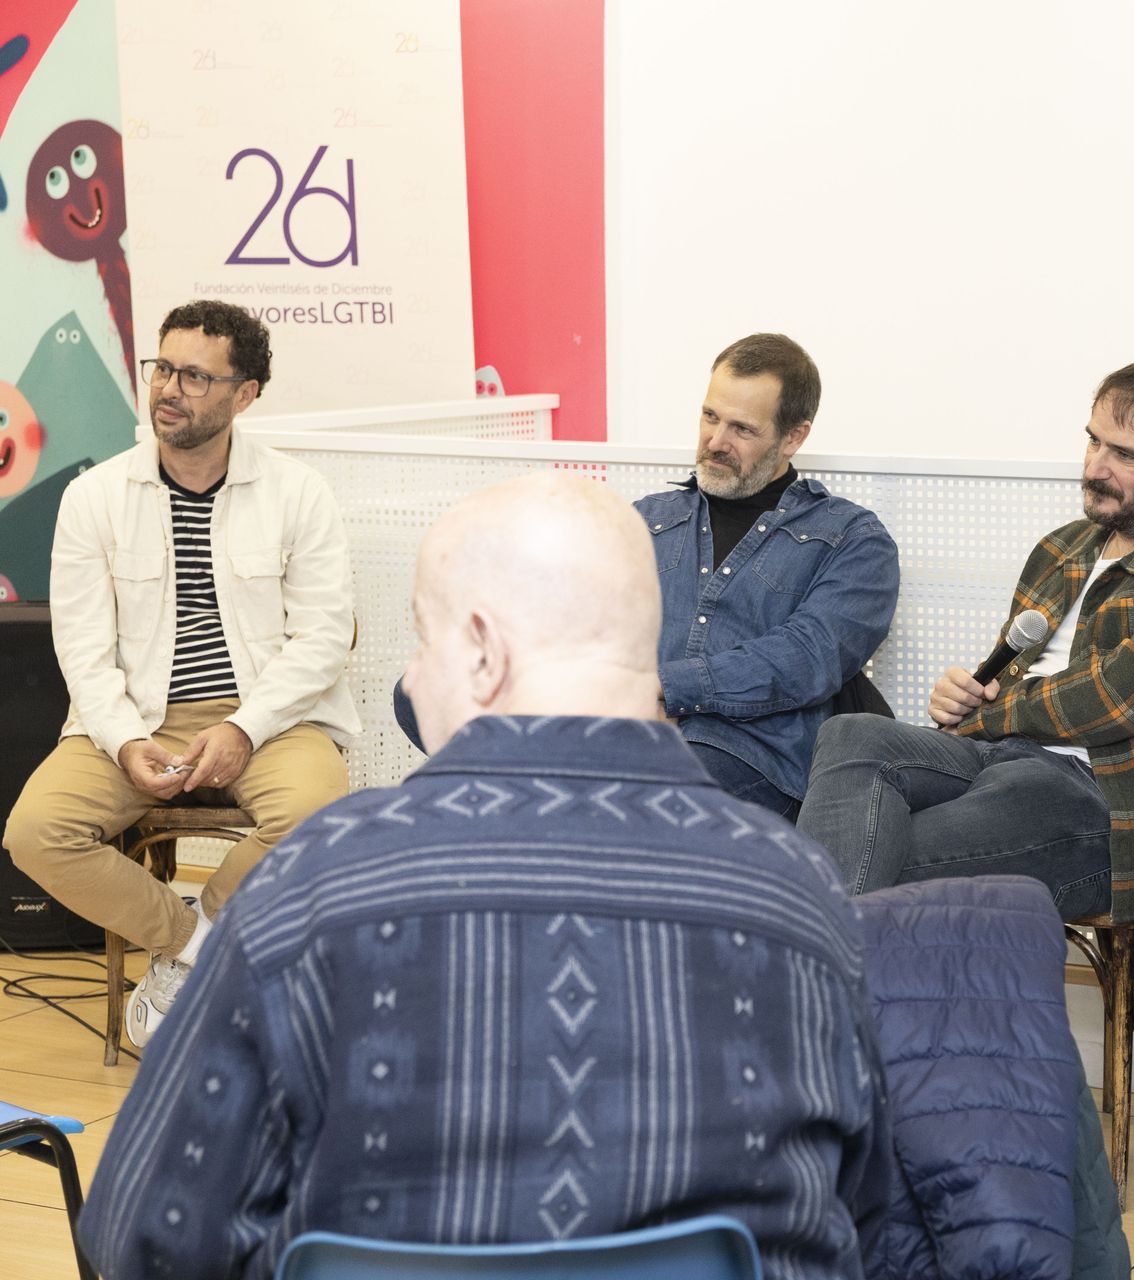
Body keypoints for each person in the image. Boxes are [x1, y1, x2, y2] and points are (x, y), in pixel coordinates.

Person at [78, 474, 891, 1280]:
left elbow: (143, 1233)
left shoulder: (314, 887)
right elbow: (864, 1212)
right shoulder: (799, 893)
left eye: (421, 641)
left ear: (480, 651)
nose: (411, 679)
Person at [799, 359, 1134, 924]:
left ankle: (801, 969)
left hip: (1113, 805)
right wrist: (968, 696)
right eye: (1093, 441)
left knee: (877, 853)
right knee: (851, 733)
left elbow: (1116, 698)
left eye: (1125, 455)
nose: (1096, 467)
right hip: (1005, 757)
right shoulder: (1063, 548)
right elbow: (1012, 679)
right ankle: (818, 969)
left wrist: (990, 712)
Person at [3, 300, 355, 1047]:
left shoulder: (298, 492)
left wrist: (244, 727)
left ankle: (206, 932)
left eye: (196, 376)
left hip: (270, 716)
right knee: (34, 833)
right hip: (136, 717)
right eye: (162, 367)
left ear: (245, 394)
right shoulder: (95, 497)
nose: (168, 388)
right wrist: (126, 740)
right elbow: (84, 648)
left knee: (318, 816)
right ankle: (190, 945)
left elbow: (323, 637)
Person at [391, 333, 899, 821]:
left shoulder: (853, 538)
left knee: (629, 784)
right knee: (423, 694)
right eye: (709, 416)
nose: (715, 442)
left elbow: (805, 658)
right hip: (616, 729)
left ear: (794, 436)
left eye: (742, 429)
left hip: (741, 754)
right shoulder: (643, 519)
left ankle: (534, 811)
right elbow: (564, 621)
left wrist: (660, 687)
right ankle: (546, 806)